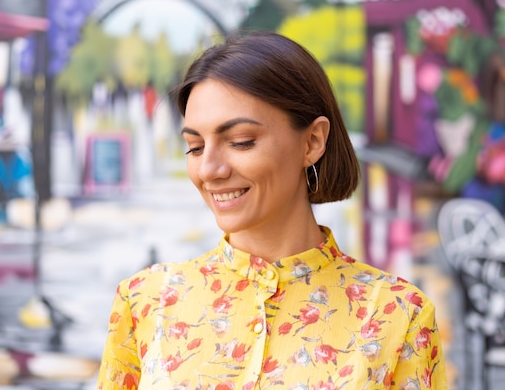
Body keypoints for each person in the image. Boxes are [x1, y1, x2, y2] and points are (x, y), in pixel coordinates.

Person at [97, 31, 448, 390]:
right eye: (195, 147)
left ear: (312, 142)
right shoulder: (146, 301)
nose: (209, 170)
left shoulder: (398, 316)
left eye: (240, 142)